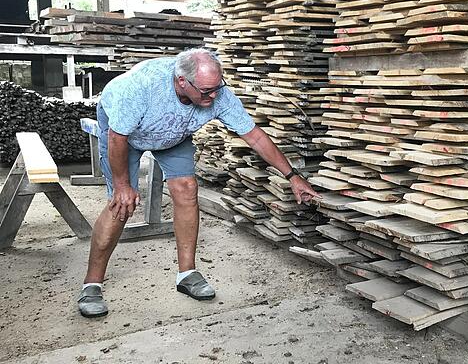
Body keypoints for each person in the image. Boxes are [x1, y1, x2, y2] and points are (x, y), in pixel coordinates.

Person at [77, 48, 320, 318]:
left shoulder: (216, 93)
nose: (214, 96)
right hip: (124, 136)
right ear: (182, 81)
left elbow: (255, 137)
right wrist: (123, 186)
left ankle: (187, 274)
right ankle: (92, 284)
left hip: (172, 134)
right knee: (121, 207)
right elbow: (117, 137)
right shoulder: (141, 87)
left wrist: (292, 176)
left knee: (187, 189)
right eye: (206, 91)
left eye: (217, 88)